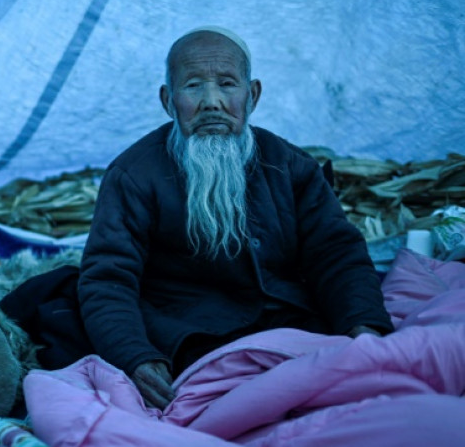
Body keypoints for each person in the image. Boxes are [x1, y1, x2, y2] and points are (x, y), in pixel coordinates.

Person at [77, 27, 393, 409]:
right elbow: (108, 277)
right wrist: (135, 357)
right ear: (168, 101)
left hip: (290, 326)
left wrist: (364, 329)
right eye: (193, 86)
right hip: (187, 340)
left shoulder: (291, 166)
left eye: (227, 84)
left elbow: (336, 254)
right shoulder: (133, 175)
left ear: (252, 95)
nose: (212, 102)